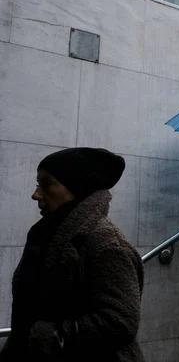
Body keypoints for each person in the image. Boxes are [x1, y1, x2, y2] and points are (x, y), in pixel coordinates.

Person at [0, 147, 145, 362]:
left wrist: (48, 337)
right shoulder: (44, 236)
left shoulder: (106, 243)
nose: (36, 194)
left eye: (47, 184)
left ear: (78, 188)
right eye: (37, 185)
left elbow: (120, 321)